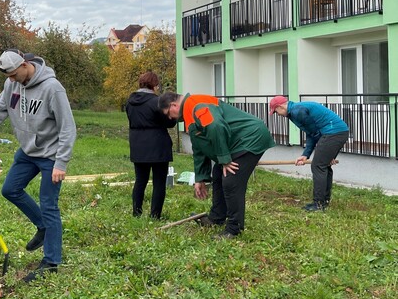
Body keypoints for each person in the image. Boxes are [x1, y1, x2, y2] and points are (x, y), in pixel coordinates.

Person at [0, 49, 76, 283]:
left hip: (50, 156)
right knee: (10, 189)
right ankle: (43, 227)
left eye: (13, 74)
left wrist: (61, 163)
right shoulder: (11, 86)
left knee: (49, 205)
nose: (10, 80)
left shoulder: (52, 88)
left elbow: (68, 127)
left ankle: (51, 262)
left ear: (24, 65)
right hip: (28, 152)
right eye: (8, 76)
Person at [158, 92, 275, 239]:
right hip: (238, 141)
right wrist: (200, 178)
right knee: (218, 173)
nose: (171, 118)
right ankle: (216, 218)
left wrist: (225, 159)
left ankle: (234, 229)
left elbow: (216, 126)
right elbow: (199, 148)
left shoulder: (196, 105)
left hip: (251, 137)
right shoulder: (189, 111)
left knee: (231, 180)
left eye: (169, 113)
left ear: (174, 105)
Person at [269, 96, 349, 211]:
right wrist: (305, 155)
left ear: (280, 107)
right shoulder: (295, 110)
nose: (278, 115)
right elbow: (312, 133)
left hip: (333, 133)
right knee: (324, 165)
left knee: (318, 166)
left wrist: (319, 153)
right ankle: (324, 202)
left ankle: (318, 204)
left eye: (276, 112)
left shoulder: (297, 111)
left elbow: (315, 134)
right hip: (339, 132)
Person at [125, 71, 177, 219]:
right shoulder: (157, 102)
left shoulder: (129, 102)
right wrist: (174, 119)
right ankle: (155, 215)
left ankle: (136, 212)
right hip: (158, 145)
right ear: (154, 85)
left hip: (137, 145)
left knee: (140, 180)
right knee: (159, 182)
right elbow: (169, 122)